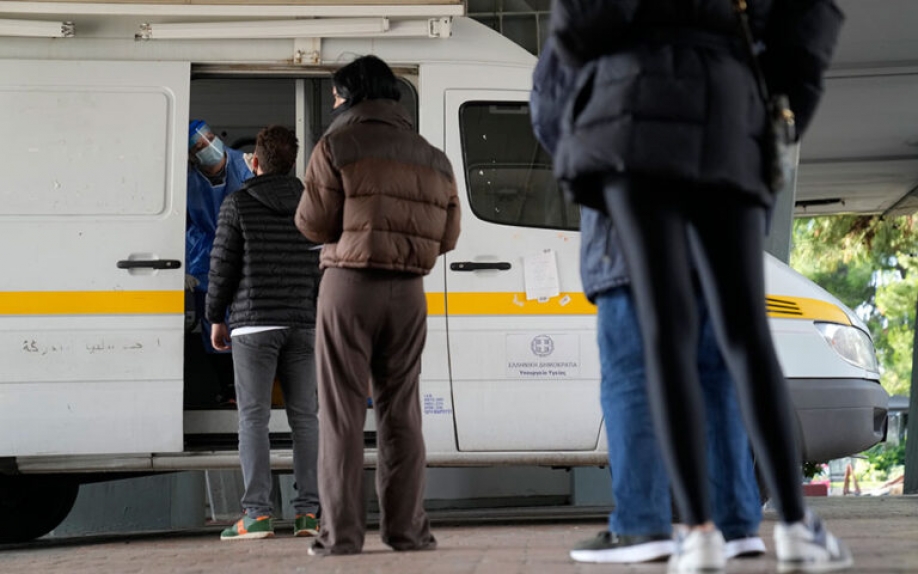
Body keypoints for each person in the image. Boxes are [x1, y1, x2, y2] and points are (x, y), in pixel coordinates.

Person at [547, 1, 851, 572]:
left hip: (629, 116)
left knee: (665, 333)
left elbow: (574, 29)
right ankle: (795, 526)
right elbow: (807, 32)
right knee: (745, 333)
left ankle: (699, 534)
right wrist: (779, 118)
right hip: (728, 112)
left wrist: (604, 83)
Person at [530, 37, 765, 564]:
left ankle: (642, 524)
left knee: (633, 373)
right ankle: (736, 523)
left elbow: (549, 110)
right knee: (713, 374)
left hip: (626, 221)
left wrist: (593, 166)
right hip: (715, 217)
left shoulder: (598, 17)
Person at [295, 55, 461, 556]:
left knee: (342, 412)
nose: (335, 104)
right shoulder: (432, 156)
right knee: (402, 410)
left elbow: (312, 223)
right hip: (409, 292)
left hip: (349, 286)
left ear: (351, 95)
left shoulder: (336, 145)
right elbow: (449, 235)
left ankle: (341, 536)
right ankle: (408, 532)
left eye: (337, 96)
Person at [205, 125, 322, 540]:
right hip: (303, 324)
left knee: (253, 418)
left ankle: (256, 515)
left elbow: (222, 267)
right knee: (305, 418)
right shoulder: (312, 204)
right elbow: (323, 265)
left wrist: (215, 317)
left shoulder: (238, 203)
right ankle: (309, 514)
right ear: (293, 162)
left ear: (254, 161)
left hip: (253, 325)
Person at [187, 119, 253, 405]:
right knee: (213, 330)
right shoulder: (187, 180)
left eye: (211, 137)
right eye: (200, 145)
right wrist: (189, 267)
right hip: (207, 265)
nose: (210, 146)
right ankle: (229, 388)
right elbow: (185, 225)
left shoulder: (246, 166)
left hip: (246, 262)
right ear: (191, 155)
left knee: (246, 329)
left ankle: (248, 388)